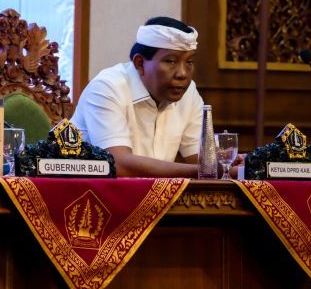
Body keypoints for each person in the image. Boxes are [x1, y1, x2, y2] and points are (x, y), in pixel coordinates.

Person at [71, 16, 210, 178]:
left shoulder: (188, 91)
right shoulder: (107, 87)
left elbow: (201, 160)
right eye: (171, 61)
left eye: (189, 62)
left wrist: (234, 165)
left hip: (155, 197)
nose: (183, 74)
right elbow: (118, 165)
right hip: (88, 195)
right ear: (139, 63)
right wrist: (206, 171)